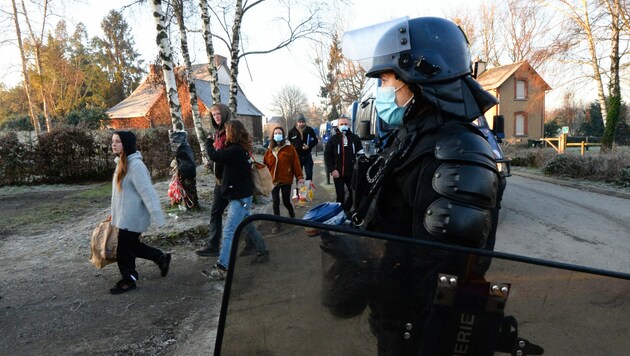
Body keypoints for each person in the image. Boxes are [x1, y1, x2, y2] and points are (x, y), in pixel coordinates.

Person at [325, 17, 505, 354]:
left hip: (423, 336)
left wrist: (367, 266)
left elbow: (440, 275)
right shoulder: (413, 138)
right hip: (398, 322)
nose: (382, 90)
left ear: (419, 76)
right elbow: (393, 228)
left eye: (386, 79)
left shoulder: (455, 150)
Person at [201, 120, 270, 281]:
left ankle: (222, 267)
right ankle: (263, 251)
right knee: (249, 227)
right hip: (242, 197)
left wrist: (209, 141)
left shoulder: (235, 151)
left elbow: (214, 155)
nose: (225, 134)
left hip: (239, 198)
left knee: (229, 231)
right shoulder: (240, 149)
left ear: (232, 133)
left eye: (227, 131)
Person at [109, 131, 170, 295]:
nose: (113, 144)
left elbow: (148, 193)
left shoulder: (136, 166)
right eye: (113, 141)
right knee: (133, 247)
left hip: (133, 218)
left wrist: (158, 217)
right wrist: (113, 214)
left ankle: (129, 280)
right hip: (125, 217)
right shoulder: (121, 163)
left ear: (126, 144)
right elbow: (120, 195)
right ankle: (160, 258)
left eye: (118, 142)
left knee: (124, 251)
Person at [196, 104, 254, 257]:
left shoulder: (231, 131)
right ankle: (214, 245)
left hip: (231, 182)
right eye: (213, 114)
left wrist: (212, 150)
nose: (216, 116)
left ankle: (251, 244)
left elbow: (221, 155)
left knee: (240, 214)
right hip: (221, 181)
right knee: (217, 212)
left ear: (225, 113)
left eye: (218, 114)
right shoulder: (218, 132)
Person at [263, 126, 304, 233]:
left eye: (279, 133)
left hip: (286, 179)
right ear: (273, 136)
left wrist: (299, 177)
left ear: (283, 135)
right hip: (274, 180)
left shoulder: (290, 148)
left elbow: (296, 163)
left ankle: (291, 214)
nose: (277, 135)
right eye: (275, 133)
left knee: (286, 201)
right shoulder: (269, 149)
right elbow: (265, 164)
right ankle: (278, 224)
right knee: (275, 202)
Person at [324, 115, 363, 212]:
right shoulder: (333, 139)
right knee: (340, 195)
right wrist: (332, 169)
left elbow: (360, 154)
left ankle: (345, 211)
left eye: (345, 124)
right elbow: (327, 156)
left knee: (353, 194)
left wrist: (358, 169)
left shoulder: (355, 138)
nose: (344, 126)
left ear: (349, 125)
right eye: (341, 124)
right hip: (338, 173)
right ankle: (339, 214)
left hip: (352, 172)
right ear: (338, 126)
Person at [288, 115, 318, 181]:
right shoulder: (292, 132)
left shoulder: (309, 130)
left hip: (307, 156)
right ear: (297, 123)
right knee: (298, 176)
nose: (301, 124)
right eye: (300, 122)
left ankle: (307, 189)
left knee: (309, 174)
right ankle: (299, 190)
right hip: (297, 156)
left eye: (303, 122)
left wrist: (309, 146)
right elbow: (288, 143)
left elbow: (315, 140)